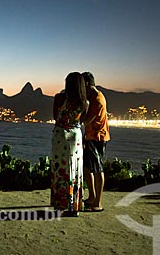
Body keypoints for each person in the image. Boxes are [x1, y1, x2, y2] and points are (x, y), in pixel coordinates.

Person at [50, 72, 88, 214]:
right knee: (75, 170)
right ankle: (75, 206)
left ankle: (61, 204)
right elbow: (82, 120)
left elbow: (55, 116)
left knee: (60, 168)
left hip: (60, 135)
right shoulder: (85, 103)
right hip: (76, 136)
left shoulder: (59, 98)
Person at [82, 72, 110, 212]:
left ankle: (97, 203)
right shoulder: (93, 97)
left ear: (87, 83)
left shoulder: (97, 99)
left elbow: (86, 121)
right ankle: (92, 197)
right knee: (87, 168)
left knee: (98, 169)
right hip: (91, 136)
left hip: (98, 138)